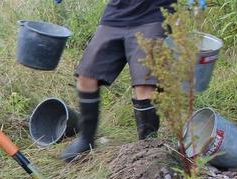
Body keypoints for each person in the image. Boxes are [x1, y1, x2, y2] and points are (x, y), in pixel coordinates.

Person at [59, 0, 175, 162]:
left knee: (145, 85)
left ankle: (149, 149)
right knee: (86, 77)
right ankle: (86, 140)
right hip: (116, 15)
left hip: (154, 15)